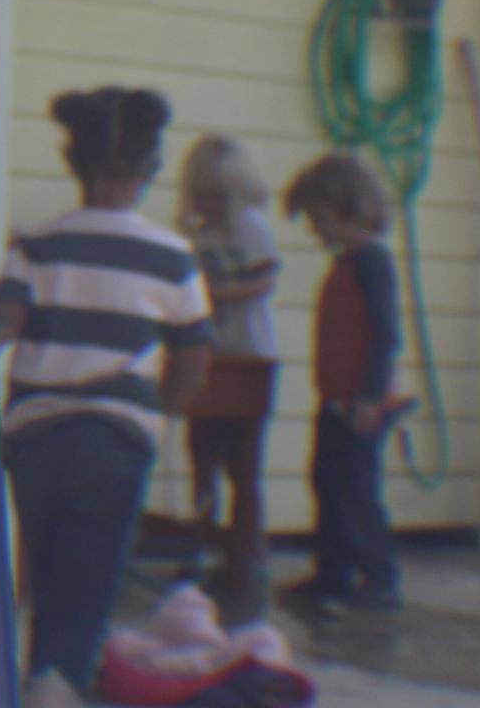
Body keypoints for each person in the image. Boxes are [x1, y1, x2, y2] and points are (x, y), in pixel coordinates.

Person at [0, 87, 212, 708]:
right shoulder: (173, 259)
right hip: (116, 436)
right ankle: (57, 680)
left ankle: (45, 668)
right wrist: (160, 415)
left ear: (73, 165)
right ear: (151, 172)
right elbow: (194, 358)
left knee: (45, 563)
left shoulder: (38, 245)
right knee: (91, 573)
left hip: (36, 435)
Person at [278, 152, 405, 616]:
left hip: (360, 400)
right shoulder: (346, 263)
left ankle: (380, 577)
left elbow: (385, 333)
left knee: (356, 490)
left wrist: (371, 396)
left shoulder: (372, 263)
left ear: (348, 209)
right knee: (326, 482)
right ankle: (332, 570)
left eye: (319, 219)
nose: (315, 230)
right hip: (334, 398)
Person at [173, 136, 281, 623]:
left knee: (244, 467)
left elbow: (265, 280)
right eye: (203, 195)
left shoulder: (251, 230)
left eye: (219, 196)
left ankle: (246, 559)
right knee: (203, 458)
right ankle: (201, 548)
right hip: (211, 360)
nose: (211, 206)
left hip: (249, 358)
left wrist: (221, 292)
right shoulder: (196, 237)